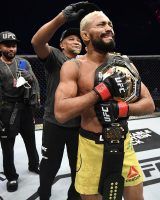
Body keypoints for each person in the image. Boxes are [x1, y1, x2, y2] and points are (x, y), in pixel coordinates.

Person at [54, 11, 155, 200]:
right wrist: (99, 92)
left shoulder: (124, 64)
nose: (109, 28)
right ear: (85, 35)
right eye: (101, 25)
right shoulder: (73, 67)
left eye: (110, 24)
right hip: (91, 146)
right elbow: (60, 112)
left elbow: (149, 104)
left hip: (123, 143)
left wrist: (123, 109)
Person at [31, 2, 98, 199]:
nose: (76, 41)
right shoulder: (55, 57)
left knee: (78, 166)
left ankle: (74, 196)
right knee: (49, 165)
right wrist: (62, 17)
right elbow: (37, 42)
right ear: (61, 44)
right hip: (55, 122)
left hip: (80, 124)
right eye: (71, 39)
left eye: (79, 39)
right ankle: (44, 194)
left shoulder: (86, 61)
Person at [0, 31, 40, 192]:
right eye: (7, 45)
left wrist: (34, 101)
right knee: (7, 146)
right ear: (0, 47)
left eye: (14, 45)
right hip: (6, 110)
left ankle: (34, 165)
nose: (11, 48)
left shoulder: (22, 62)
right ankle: (11, 177)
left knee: (30, 139)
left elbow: (33, 80)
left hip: (24, 108)